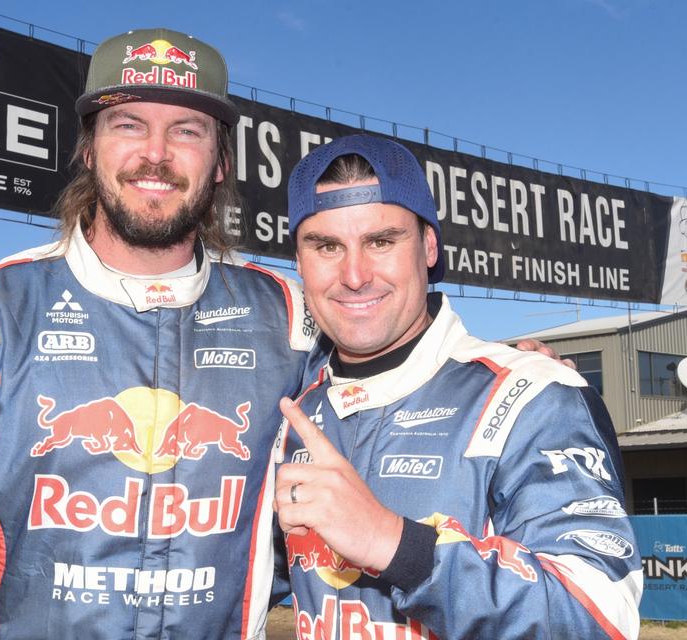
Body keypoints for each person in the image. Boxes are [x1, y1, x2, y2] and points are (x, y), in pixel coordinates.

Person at [0, 28, 317, 639]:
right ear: (88, 149)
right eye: (128, 124)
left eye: (187, 130)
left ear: (221, 163)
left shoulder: (290, 318)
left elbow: (308, 548)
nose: (155, 153)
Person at [273, 135, 643, 639]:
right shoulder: (296, 409)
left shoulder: (532, 393)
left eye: (381, 241)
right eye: (326, 246)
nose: (354, 275)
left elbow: (600, 619)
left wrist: (394, 544)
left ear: (428, 247)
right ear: (299, 260)